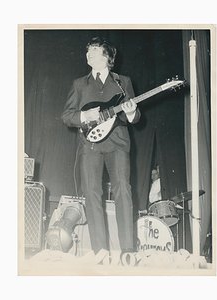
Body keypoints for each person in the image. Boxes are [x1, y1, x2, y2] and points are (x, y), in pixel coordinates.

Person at [61, 37, 141, 254]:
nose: (89, 54)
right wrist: (82, 115)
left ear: (107, 56)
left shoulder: (123, 82)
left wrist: (132, 111)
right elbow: (67, 116)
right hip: (90, 146)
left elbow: (135, 117)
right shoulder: (79, 84)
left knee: (123, 191)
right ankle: (100, 251)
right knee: (92, 193)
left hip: (118, 143)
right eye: (88, 51)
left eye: (95, 50)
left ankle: (127, 250)